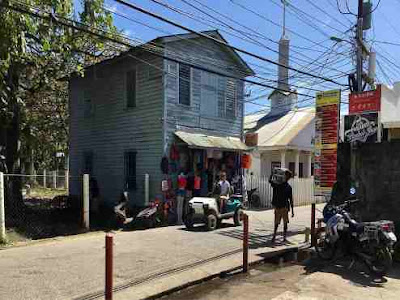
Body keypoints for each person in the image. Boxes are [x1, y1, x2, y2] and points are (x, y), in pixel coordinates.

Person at [269, 169, 294, 243]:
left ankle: (279, 237)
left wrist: (292, 210)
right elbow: (270, 181)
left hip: (283, 207)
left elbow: (291, 199)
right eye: (287, 176)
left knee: (282, 223)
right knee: (279, 223)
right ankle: (279, 237)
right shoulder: (279, 185)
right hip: (280, 207)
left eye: (288, 176)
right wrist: (272, 174)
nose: (287, 177)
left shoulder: (281, 185)